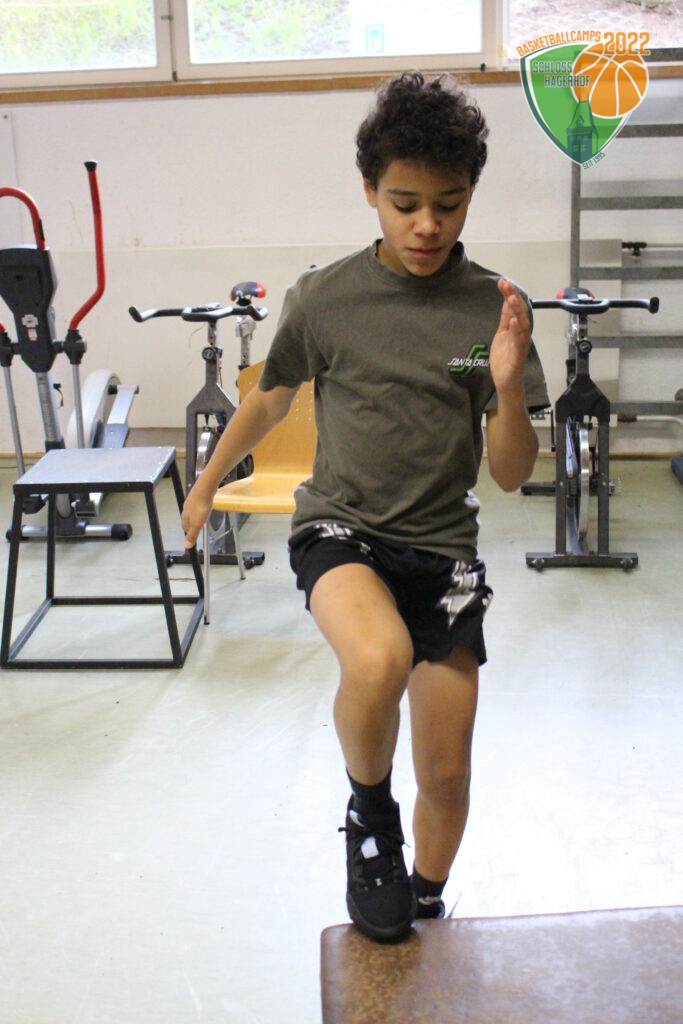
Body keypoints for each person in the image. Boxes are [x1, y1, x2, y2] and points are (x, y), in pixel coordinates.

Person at [182, 71, 549, 943]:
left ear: (469, 198)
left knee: (448, 776)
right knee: (378, 660)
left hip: (443, 552)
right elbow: (270, 399)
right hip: (341, 529)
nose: (426, 226)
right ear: (369, 193)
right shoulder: (327, 297)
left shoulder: (489, 311)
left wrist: (503, 388)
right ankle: (369, 812)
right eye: (404, 203)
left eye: (447, 206)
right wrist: (205, 482)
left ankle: (422, 899)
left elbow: (508, 473)